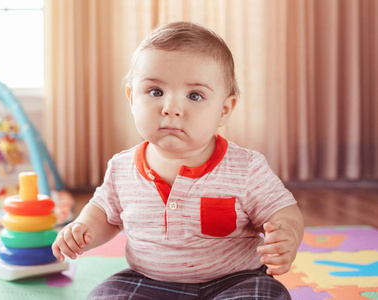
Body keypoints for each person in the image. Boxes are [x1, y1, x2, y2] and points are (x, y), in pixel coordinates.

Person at [52, 21, 304, 300]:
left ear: (224, 109)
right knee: (104, 296)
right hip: (148, 280)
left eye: (194, 95)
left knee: (265, 295)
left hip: (235, 281)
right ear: (132, 98)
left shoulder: (246, 168)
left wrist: (286, 234)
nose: (171, 108)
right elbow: (103, 214)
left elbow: (283, 212)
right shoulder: (121, 168)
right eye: (155, 92)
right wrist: (83, 229)